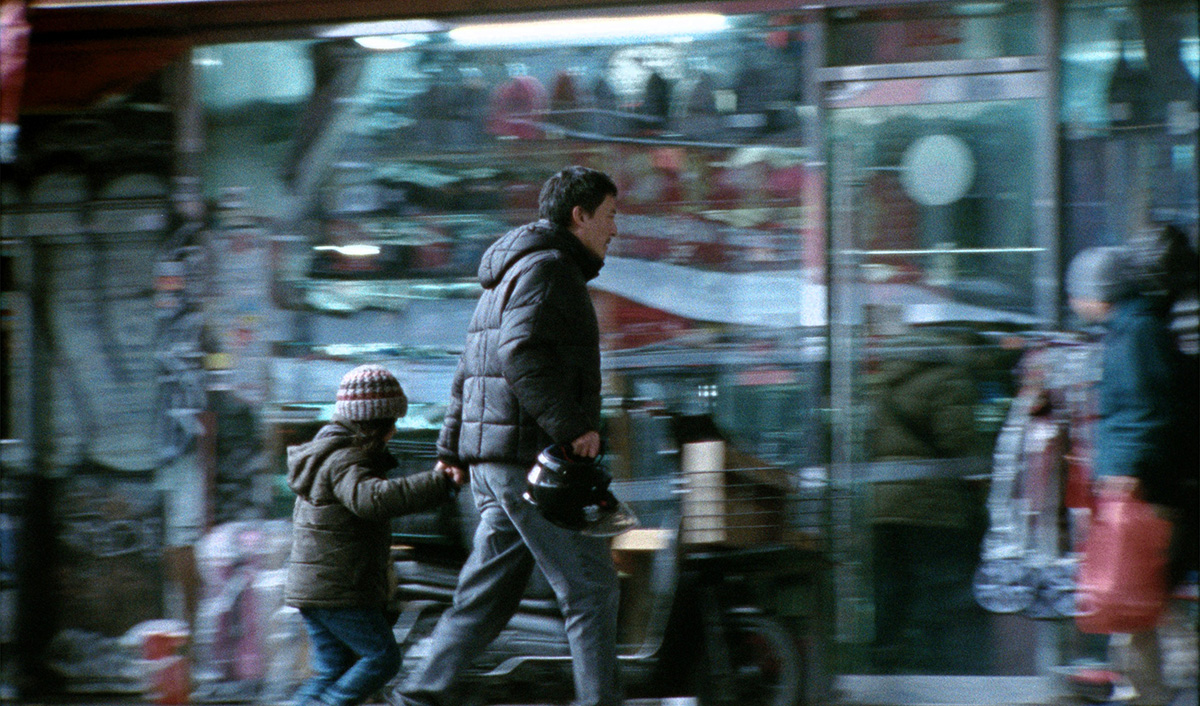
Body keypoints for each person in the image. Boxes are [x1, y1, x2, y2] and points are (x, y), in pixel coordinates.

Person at [390, 166, 621, 706]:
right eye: (609, 217)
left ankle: (419, 695)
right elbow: (518, 356)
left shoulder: (509, 274)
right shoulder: (549, 270)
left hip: (498, 464)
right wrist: (575, 426)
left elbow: (470, 366)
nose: (615, 230)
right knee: (592, 590)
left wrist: (452, 447)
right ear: (578, 216)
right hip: (529, 464)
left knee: (485, 597)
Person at [285, 363, 465, 706]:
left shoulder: (329, 452)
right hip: (339, 589)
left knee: (331, 670)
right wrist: (438, 482)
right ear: (373, 423)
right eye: (391, 423)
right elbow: (375, 499)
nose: (395, 431)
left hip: (316, 586)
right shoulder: (346, 460)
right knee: (382, 659)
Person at [1066, 233, 1196, 706]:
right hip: (1147, 482)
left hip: (1145, 485)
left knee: (1137, 590)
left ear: (1098, 292)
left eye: (1076, 291)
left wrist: (1126, 469)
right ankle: (1145, 689)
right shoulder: (1133, 331)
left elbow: (1142, 409)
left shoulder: (1136, 334)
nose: (1073, 301)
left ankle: (1147, 689)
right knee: (1139, 591)